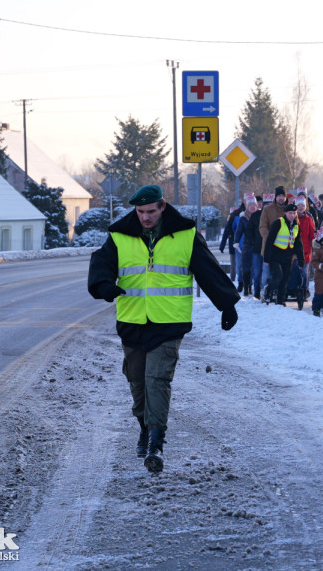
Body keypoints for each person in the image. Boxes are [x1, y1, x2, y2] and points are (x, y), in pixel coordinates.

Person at [87, 184, 239, 473]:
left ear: (162, 207)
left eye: (151, 211)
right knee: (137, 383)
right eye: (140, 212)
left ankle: (156, 443)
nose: (145, 217)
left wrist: (227, 303)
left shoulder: (185, 235)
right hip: (132, 321)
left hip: (169, 322)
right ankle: (145, 428)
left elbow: (208, 270)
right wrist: (103, 285)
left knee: (157, 379)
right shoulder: (120, 235)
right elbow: (101, 264)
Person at [263, 203, 305, 305]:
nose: (292, 215)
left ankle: (280, 300)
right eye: (290, 213)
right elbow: (269, 240)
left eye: (294, 213)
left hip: (288, 256)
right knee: (278, 276)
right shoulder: (278, 223)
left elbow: (298, 244)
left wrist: (301, 260)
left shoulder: (296, 226)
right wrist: (266, 258)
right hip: (275, 255)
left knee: (285, 279)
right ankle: (268, 290)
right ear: (285, 213)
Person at [233, 193, 258, 296]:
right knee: (246, 268)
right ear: (247, 207)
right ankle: (246, 287)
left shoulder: (260, 217)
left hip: (257, 245)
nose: (252, 207)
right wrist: (236, 242)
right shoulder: (243, 218)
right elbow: (238, 231)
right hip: (247, 246)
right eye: (250, 205)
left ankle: (253, 287)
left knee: (255, 268)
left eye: (254, 205)